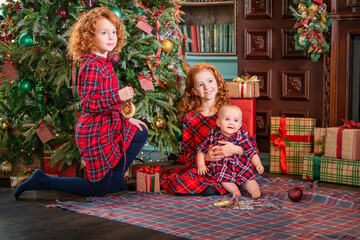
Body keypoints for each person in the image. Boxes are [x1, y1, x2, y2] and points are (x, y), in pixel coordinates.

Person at [15, 7, 148, 199]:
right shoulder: (91, 65)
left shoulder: (105, 61)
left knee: (140, 132)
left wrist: (126, 117)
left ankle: (116, 180)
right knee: (98, 190)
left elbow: (106, 99)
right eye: (104, 32)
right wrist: (118, 96)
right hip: (95, 133)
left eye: (113, 32)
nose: (111, 37)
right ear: (89, 37)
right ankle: (43, 180)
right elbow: (89, 103)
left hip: (109, 125)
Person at [161, 63, 258, 196]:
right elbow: (186, 153)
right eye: (200, 85)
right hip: (205, 168)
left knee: (217, 185)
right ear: (194, 91)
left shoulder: (230, 113)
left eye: (210, 81)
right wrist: (205, 158)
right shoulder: (190, 118)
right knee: (182, 183)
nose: (207, 87)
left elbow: (250, 144)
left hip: (232, 167)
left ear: (217, 82)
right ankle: (214, 186)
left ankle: (226, 185)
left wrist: (236, 149)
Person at [197, 104, 264, 199]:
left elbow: (251, 151)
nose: (231, 123)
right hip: (222, 166)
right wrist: (201, 165)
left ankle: (254, 191)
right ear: (219, 123)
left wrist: (258, 164)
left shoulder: (241, 136)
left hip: (240, 165)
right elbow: (201, 150)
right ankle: (235, 191)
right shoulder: (213, 135)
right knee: (223, 178)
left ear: (240, 125)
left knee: (249, 178)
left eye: (235, 120)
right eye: (227, 119)